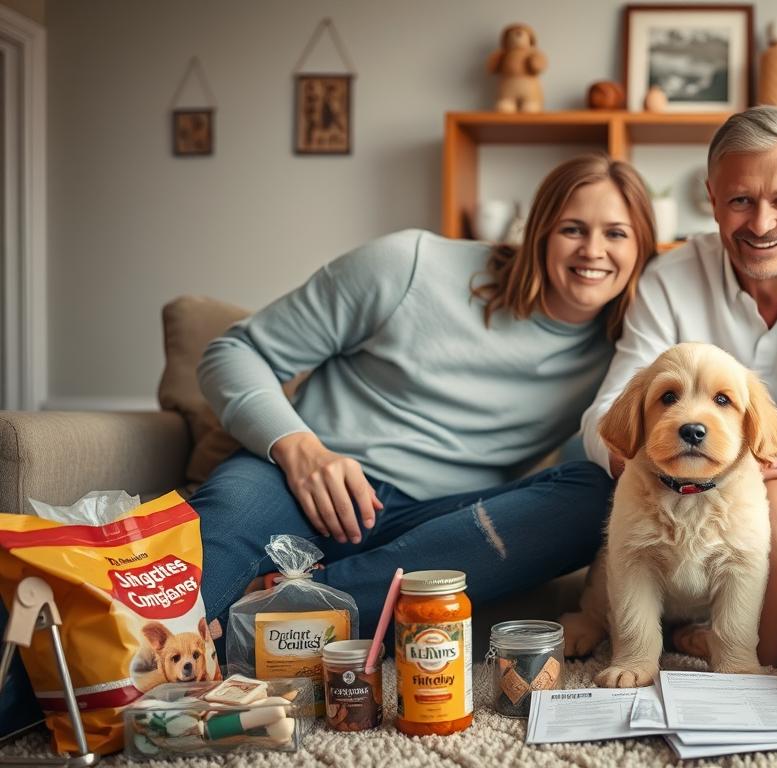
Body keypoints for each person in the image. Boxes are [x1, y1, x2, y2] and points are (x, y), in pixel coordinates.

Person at [193, 154, 657, 640]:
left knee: (596, 498)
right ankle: (141, 664)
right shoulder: (408, 264)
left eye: (617, 234)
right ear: (539, 230)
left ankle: (291, 617)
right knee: (217, 533)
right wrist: (299, 450)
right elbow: (233, 351)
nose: (593, 251)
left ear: (642, 249)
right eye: (573, 229)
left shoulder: (626, 347)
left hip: (441, 525)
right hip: (303, 480)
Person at [580, 105, 777, 666]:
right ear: (712, 198)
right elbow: (605, 419)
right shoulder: (668, 281)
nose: (761, 225)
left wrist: (759, 457)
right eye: (740, 200)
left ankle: (746, 657)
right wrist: (656, 462)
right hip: (663, 480)